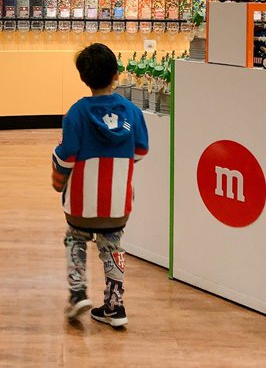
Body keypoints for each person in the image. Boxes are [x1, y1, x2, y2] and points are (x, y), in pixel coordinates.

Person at [51, 43, 148, 328]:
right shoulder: (132, 112)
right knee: (113, 245)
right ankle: (115, 306)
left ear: (83, 77)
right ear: (116, 74)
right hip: (117, 203)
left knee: (75, 238)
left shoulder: (76, 113)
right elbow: (141, 150)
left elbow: (66, 156)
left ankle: (78, 292)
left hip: (81, 203)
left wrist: (57, 175)